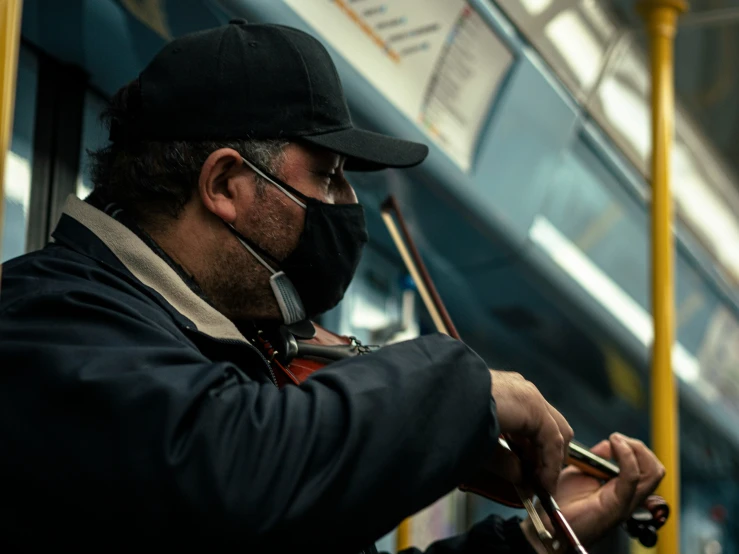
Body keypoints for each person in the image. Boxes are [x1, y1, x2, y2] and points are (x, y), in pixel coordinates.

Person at [0, 20, 664, 553]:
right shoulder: (46, 318)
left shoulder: (228, 355)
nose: (345, 205)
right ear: (226, 184)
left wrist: (536, 539)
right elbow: (233, 473)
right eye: (328, 176)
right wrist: (466, 388)